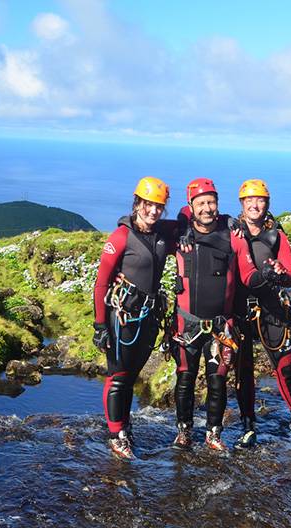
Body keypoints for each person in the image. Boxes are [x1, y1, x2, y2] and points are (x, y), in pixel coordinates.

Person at [92, 176, 176, 460]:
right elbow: (101, 283)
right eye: (148, 205)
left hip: (149, 316)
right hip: (123, 317)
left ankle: (124, 426)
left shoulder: (163, 234)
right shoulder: (120, 237)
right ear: (137, 203)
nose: (153, 211)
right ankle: (117, 436)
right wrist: (100, 324)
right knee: (117, 376)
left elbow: (192, 221)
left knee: (130, 377)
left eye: (159, 207)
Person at [170, 178, 256, 452]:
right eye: (201, 203)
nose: (208, 208)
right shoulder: (179, 234)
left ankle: (213, 433)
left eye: (212, 202)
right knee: (185, 378)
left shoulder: (233, 235)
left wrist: (266, 278)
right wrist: (184, 225)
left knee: (217, 380)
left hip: (221, 326)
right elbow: (176, 216)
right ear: (191, 206)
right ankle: (184, 432)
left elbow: (248, 272)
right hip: (186, 323)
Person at [232, 179, 291, 451]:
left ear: (267, 204)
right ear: (242, 204)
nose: (255, 205)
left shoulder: (276, 235)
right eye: (250, 201)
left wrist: (281, 272)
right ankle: (248, 427)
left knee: (284, 366)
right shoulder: (232, 233)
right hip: (240, 309)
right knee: (243, 370)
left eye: (260, 201)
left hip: (271, 307)